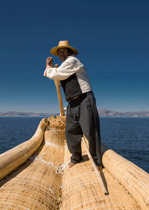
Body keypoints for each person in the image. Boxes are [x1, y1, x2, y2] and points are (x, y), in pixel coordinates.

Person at [43, 40, 102, 168]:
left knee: (90, 130)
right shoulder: (64, 66)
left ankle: (97, 161)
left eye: (63, 50)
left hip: (84, 99)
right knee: (71, 131)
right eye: (58, 52)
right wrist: (54, 69)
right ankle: (76, 158)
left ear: (68, 52)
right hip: (72, 103)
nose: (60, 53)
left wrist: (49, 68)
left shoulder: (72, 61)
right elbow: (58, 78)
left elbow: (57, 74)